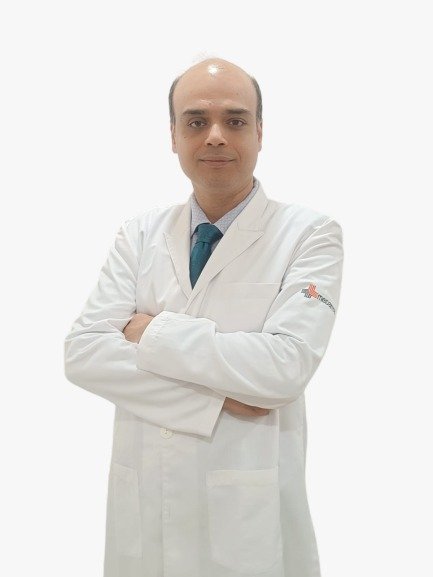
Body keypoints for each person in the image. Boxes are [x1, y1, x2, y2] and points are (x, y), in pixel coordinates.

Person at [64, 57, 344, 577]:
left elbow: (284, 368)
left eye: (235, 120)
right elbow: (83, 354)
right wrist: (224, 397)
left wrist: (149, 330)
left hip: (250, 522)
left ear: (260, 132)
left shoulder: (309, 235)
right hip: (146, 515)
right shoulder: (139, 234)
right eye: (196, 121)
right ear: (173, 135)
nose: (215, 135)